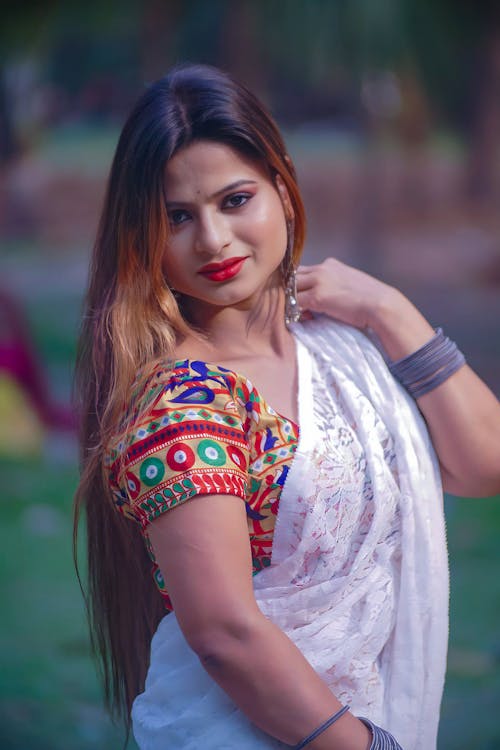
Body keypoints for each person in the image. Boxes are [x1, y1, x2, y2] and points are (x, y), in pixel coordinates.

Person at [73, 63, 500, 750]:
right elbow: (225, 635)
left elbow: (484, 465)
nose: (212, 240)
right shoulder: (181, 404)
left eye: (234, 200)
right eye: (177, 217)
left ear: (283, 187)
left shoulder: (341, 347)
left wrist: (392, 311)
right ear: (140, 236)